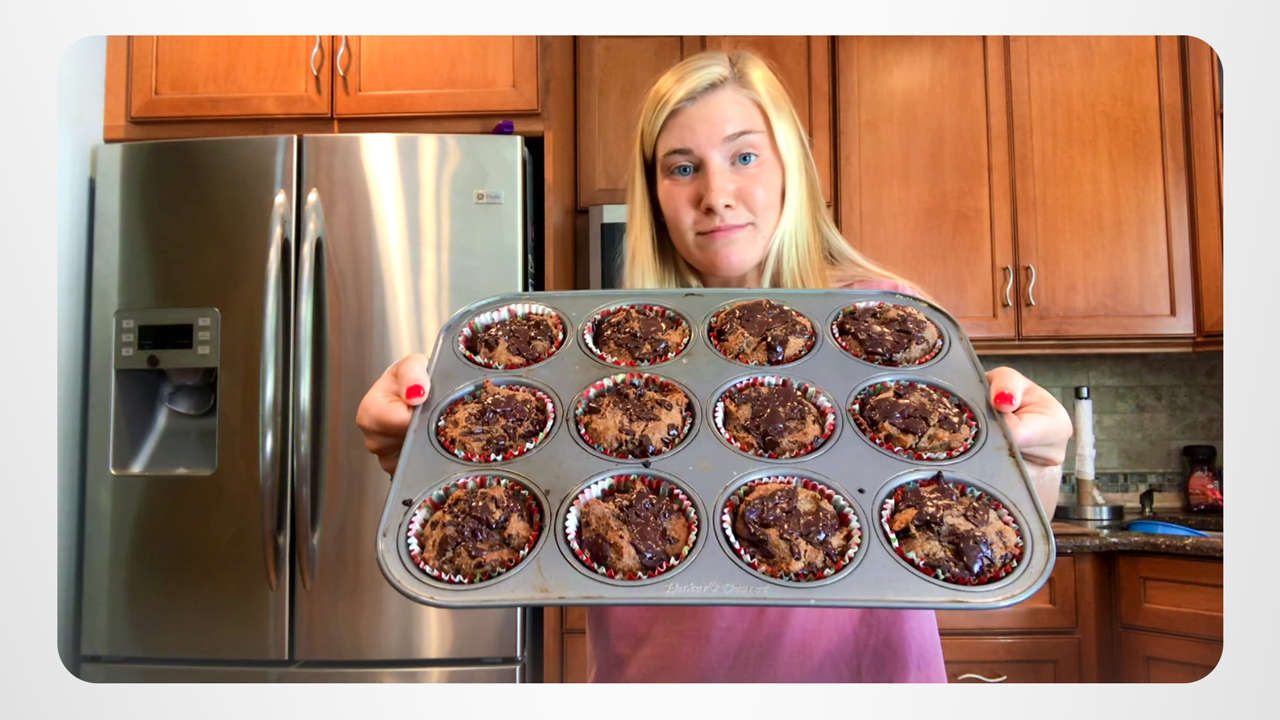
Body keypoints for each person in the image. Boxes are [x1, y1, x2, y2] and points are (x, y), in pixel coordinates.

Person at [356, 49, 1072, 682]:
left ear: (791, 166)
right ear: (654, 194)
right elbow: (519, 505)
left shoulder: (891, 324)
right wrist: (415, 453)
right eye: (682, 167)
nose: (716, 193)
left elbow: (979, 539)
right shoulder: (603, 353)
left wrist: (1036, 465)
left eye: (745, 156)